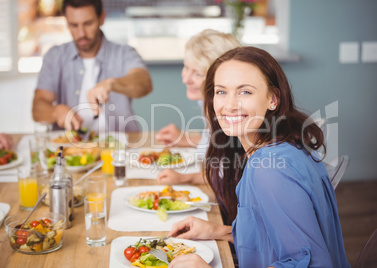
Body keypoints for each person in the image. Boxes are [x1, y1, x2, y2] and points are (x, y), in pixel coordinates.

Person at [168, 47, 350, 268]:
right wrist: (218, 231)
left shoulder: (270, 170)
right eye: (221, 91)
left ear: (272, 99)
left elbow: (312, 264)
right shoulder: (283, 147)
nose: (230, 105)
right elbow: (270, 237)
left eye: (245, 92)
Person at [32, 0, 152, 132]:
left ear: (102, 18)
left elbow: (144, 84)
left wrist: (111, 84)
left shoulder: (124, 53)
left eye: (88, 23)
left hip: (120, 146)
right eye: (74, 25)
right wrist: (55, 112)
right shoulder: (54, 56)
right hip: (69, 146)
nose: (81, 33)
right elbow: (38, 109)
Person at [155, 29, 240, 185]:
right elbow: (214, 142)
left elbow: (226, 175)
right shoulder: (207, 101)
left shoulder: (228, 114)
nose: (186, 79)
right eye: (186, 67)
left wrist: (185, 178)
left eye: (198, 74)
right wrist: (184, 138)